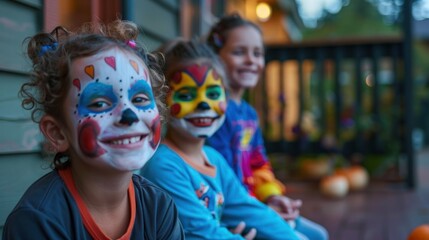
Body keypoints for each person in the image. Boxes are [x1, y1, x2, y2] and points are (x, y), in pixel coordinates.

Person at [2, 20, 184, 239]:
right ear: (58, 133)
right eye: (99, 104)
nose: (129, 114)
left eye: (140, 98)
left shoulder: (158, 207)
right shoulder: (38, 219)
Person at [140, 39, 299, 240]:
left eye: (213, 93)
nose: (204, 105)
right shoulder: (163, 165)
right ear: (162, 100)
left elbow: (248, 209)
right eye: (187, 95)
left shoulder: (213, 158)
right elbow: (203, 233)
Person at [206, 13, 329, 240]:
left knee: (320, 234)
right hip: (232, 210)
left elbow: (259, 163)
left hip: (256, 203)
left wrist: (272, 197)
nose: (251, 60)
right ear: (216, 57)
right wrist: (262, 209)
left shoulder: (249, 113)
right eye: (239, 52)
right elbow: (219, 177)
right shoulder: (211, 112)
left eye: (257, 53)